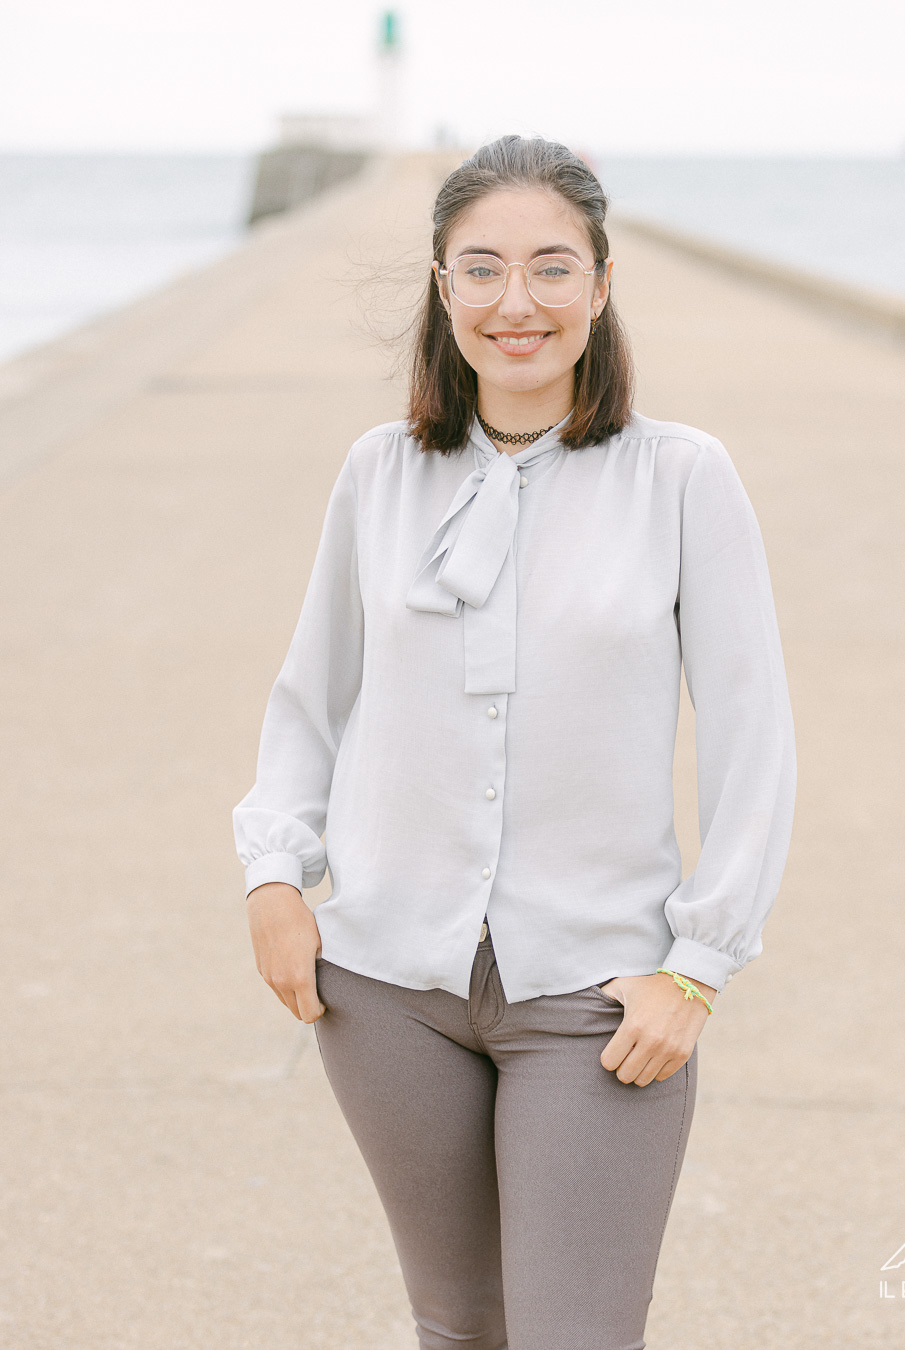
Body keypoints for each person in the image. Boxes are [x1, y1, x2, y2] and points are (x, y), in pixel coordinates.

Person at [233, 134, 797, 1350]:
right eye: (480, 269)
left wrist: (697, 964)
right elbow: (310, 695)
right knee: (457, 1327)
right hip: (386, 985)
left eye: (551, 267)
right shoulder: (378, 474)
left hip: (596, 995)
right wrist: (275, 875)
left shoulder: (683, 479)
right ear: (443, 290)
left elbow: (755, 740)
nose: (516, 303)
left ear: (600, 283)